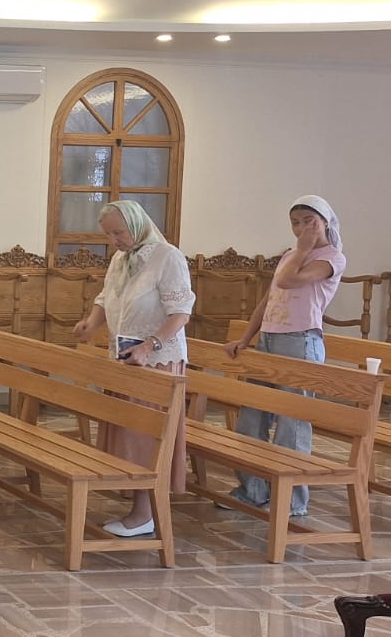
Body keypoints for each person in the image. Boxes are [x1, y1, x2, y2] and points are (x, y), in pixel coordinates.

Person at [71, 201, 194, 536]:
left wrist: (149, 346)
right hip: (127, 358)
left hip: (156, 361)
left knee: (145, 437)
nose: (114, 240)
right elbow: (105, 298)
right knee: (128, 432)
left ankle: (145, 514)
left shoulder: (168, 257)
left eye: (119, 232)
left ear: (138, 225)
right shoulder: (120, 258)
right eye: (108, 235)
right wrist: (91, 324)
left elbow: (181, 312)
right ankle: (137, 505)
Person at [222, 195, 346, 516]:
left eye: (309, 221)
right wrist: (246, 339)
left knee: (292, 424)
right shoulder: (291, 255)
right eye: (295, 222)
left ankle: (291, 500)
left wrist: (304, 248)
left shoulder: (331, 257)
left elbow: (289, 281)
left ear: (325, 221)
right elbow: (269, 300)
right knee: (252, 416)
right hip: (269, 338)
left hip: (300, 341)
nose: (301, 227)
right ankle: (252, 491)